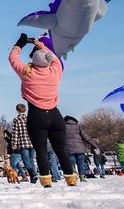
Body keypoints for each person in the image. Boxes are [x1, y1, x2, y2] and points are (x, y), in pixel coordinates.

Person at [9, 33, 76, 187]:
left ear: (33, 61)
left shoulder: (27, 73)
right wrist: (42, 46)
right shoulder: (55, 72)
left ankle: (46, 180)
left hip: (37, 115)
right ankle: (70, 178)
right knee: (60, 149)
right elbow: (55, 59)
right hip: (55, 115)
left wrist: (19, 44)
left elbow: (13, 59)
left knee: (40, 150)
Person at [7, 103, 38, 183]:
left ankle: (32, 174)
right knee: (31, 160)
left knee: (25, 160)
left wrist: (13, 144)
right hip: (31, 142)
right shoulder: (30, 119)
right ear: (25, 110)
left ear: (17, 110)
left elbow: (15, 133)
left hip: (23, 143)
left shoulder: (16, 120)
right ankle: (33, 177)